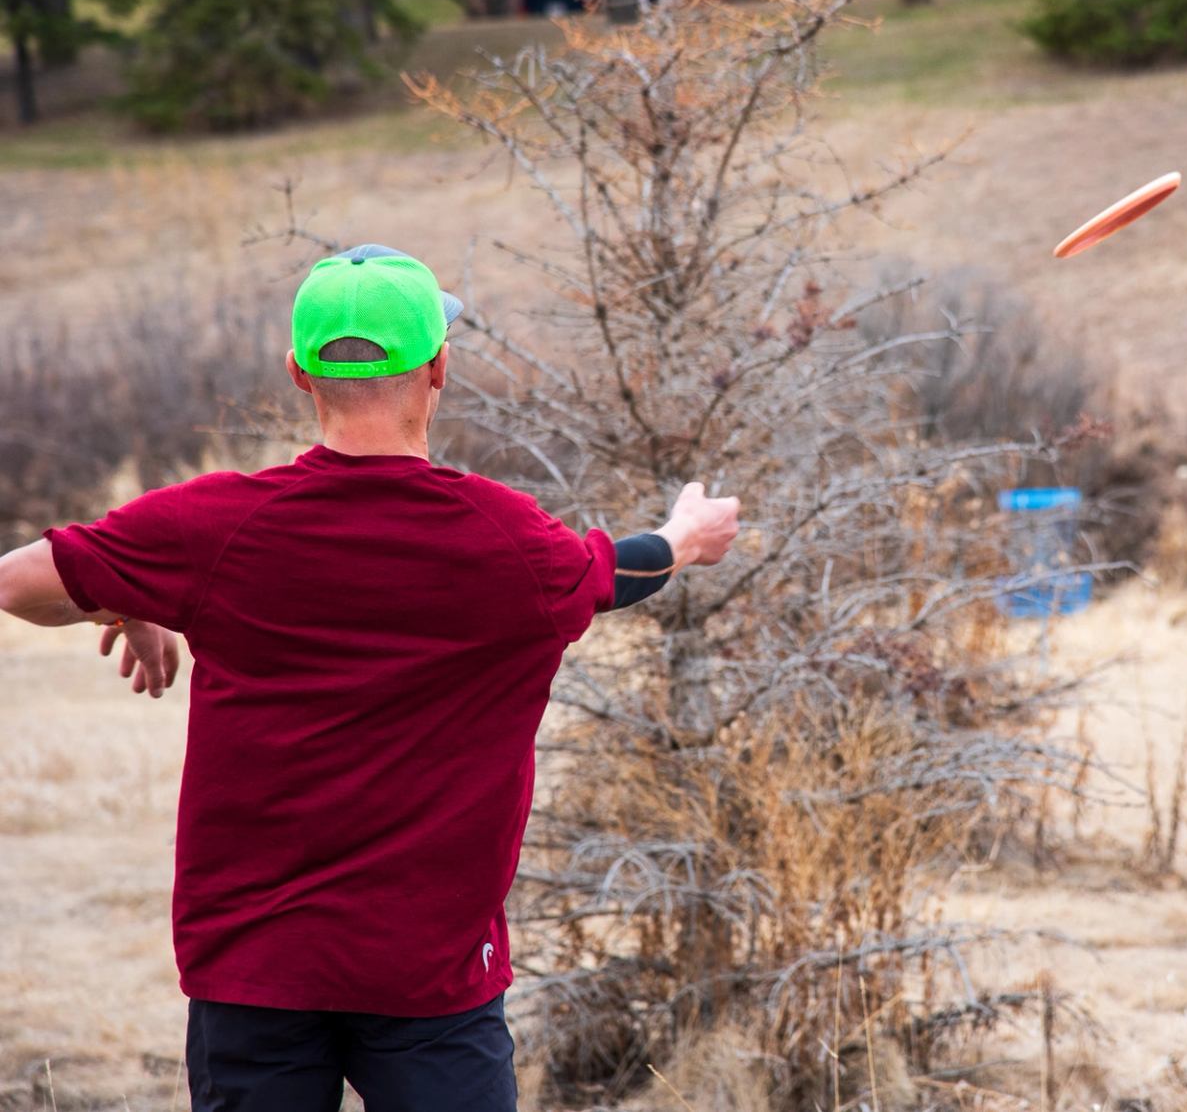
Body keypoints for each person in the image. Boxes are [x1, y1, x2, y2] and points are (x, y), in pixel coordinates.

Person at [0, 245, 740, 1112]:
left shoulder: (210, 528)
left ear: (299, 373)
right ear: (438, 369)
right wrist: (685, 537)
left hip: (252, 966)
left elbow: (18, 580)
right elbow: (620, 572)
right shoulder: (509, 541)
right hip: (433, 974)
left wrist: (129, 604)